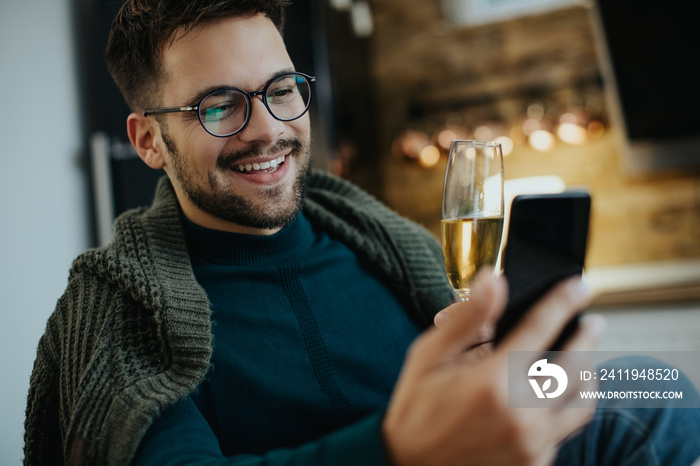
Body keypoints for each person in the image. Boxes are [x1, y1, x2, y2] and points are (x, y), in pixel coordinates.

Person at [23, 1, 700, 465]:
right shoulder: (122, 312)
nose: (267, 129)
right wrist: (400, 449)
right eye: (218, 105)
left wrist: (511, 367)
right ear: (148, 141)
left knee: (659, 388)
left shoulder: (376, 241)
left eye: (281, 88)